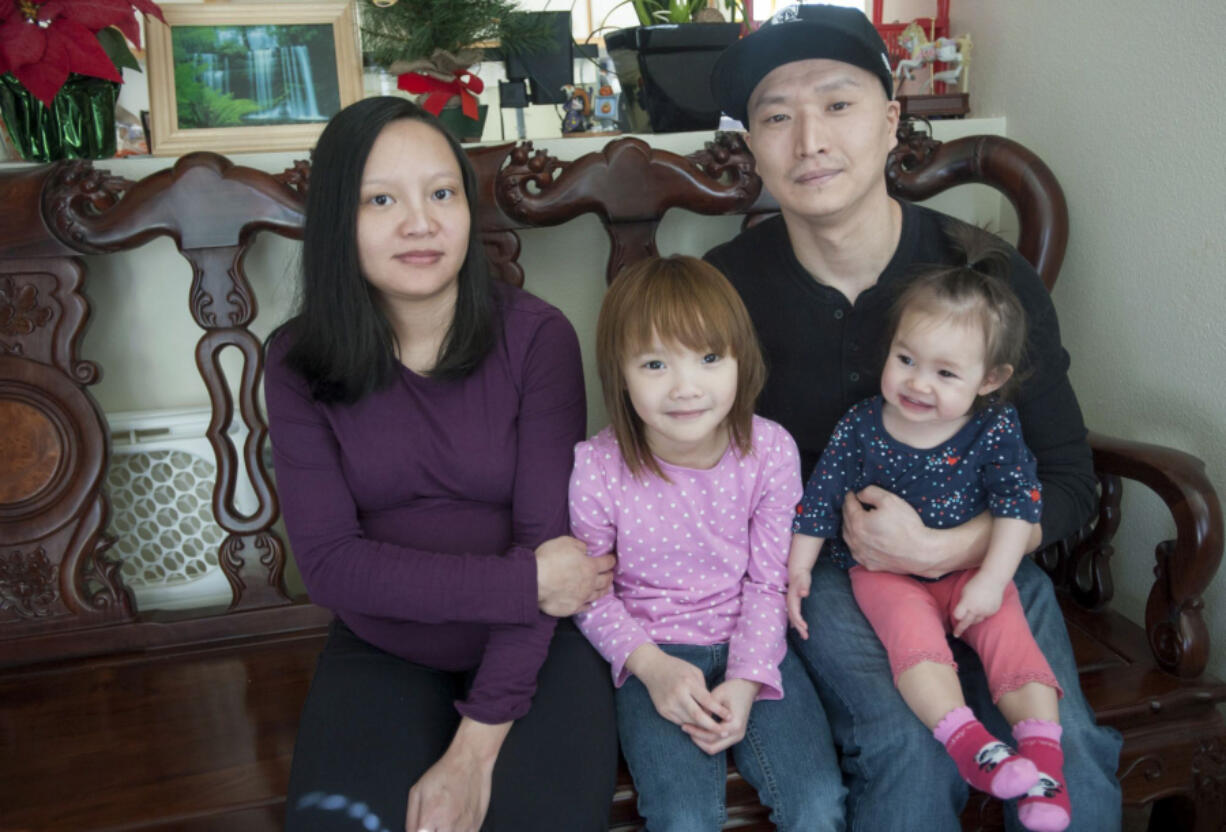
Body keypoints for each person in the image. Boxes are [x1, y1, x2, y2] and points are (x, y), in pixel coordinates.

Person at [705, 4, 1122, 830]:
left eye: (837, 104)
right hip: (825, 570)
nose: (809, 140)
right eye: (776, 118)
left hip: (993, 550)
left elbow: (1068, 478)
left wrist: (954, 548)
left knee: (1061, 744)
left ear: (892, 121)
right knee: (906, 744)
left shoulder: (984, 278)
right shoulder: (724, 292)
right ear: (752, 146)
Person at [265, 96, 618, 832]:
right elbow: (332, 565)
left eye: (441, 193)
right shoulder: (297, 360)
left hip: (534, 649)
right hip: (382, 644)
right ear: (339, 220)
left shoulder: (536, 338)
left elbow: (552, 554)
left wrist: (473, 752)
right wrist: (523, 582)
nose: (419, 222)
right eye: (381, 199)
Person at [788, 239, 1070, 831]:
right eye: (906, 359)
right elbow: (817, 500)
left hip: (974, 568)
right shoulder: (862, 424)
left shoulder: (994, 426)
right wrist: (799, 567)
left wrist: (992, 581)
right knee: (914, 646)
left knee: (1012, 643)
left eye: (946, 373)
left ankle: (1046, 767)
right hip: (884, 574)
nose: (918, 384)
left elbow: (1021, 504)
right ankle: (971, 745)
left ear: (991, 379)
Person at [569, 255, 845, 830]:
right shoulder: (597, 468)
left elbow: (770, 581)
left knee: (818, 804)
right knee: (684, 817)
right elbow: (589, 593)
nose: (686, 388)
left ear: (741, 361)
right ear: (620, 374)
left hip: (756, 643)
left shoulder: (770, 451)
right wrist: (652, 668)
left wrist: (746, 681)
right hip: (653, 656)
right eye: (654, 363)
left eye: (710, 358)